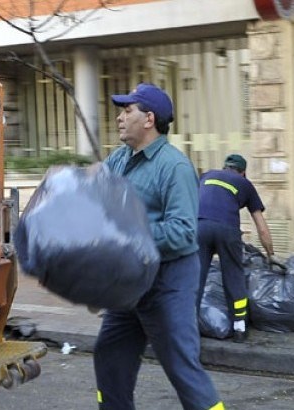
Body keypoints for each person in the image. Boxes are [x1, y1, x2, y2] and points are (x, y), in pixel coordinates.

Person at [94, 83, 224, 410]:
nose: (120, 118)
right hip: (130, 283)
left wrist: (129, 233)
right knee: (110, 357)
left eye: (128, 111)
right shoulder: (120, 158)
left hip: (168, 282)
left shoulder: (175, 167)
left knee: (182, 368)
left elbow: (182, 232)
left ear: (149, 119)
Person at [197, 154, 285, 343]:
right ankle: (239, 327)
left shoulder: (206, 176)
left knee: (195, 278)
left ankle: (187, 327)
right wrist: (271, 255)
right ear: (243, 172)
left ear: (224, 167)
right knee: (234, 277)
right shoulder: (245, 184)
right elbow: (261, 227)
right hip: (228, 230)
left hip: (199, 227)